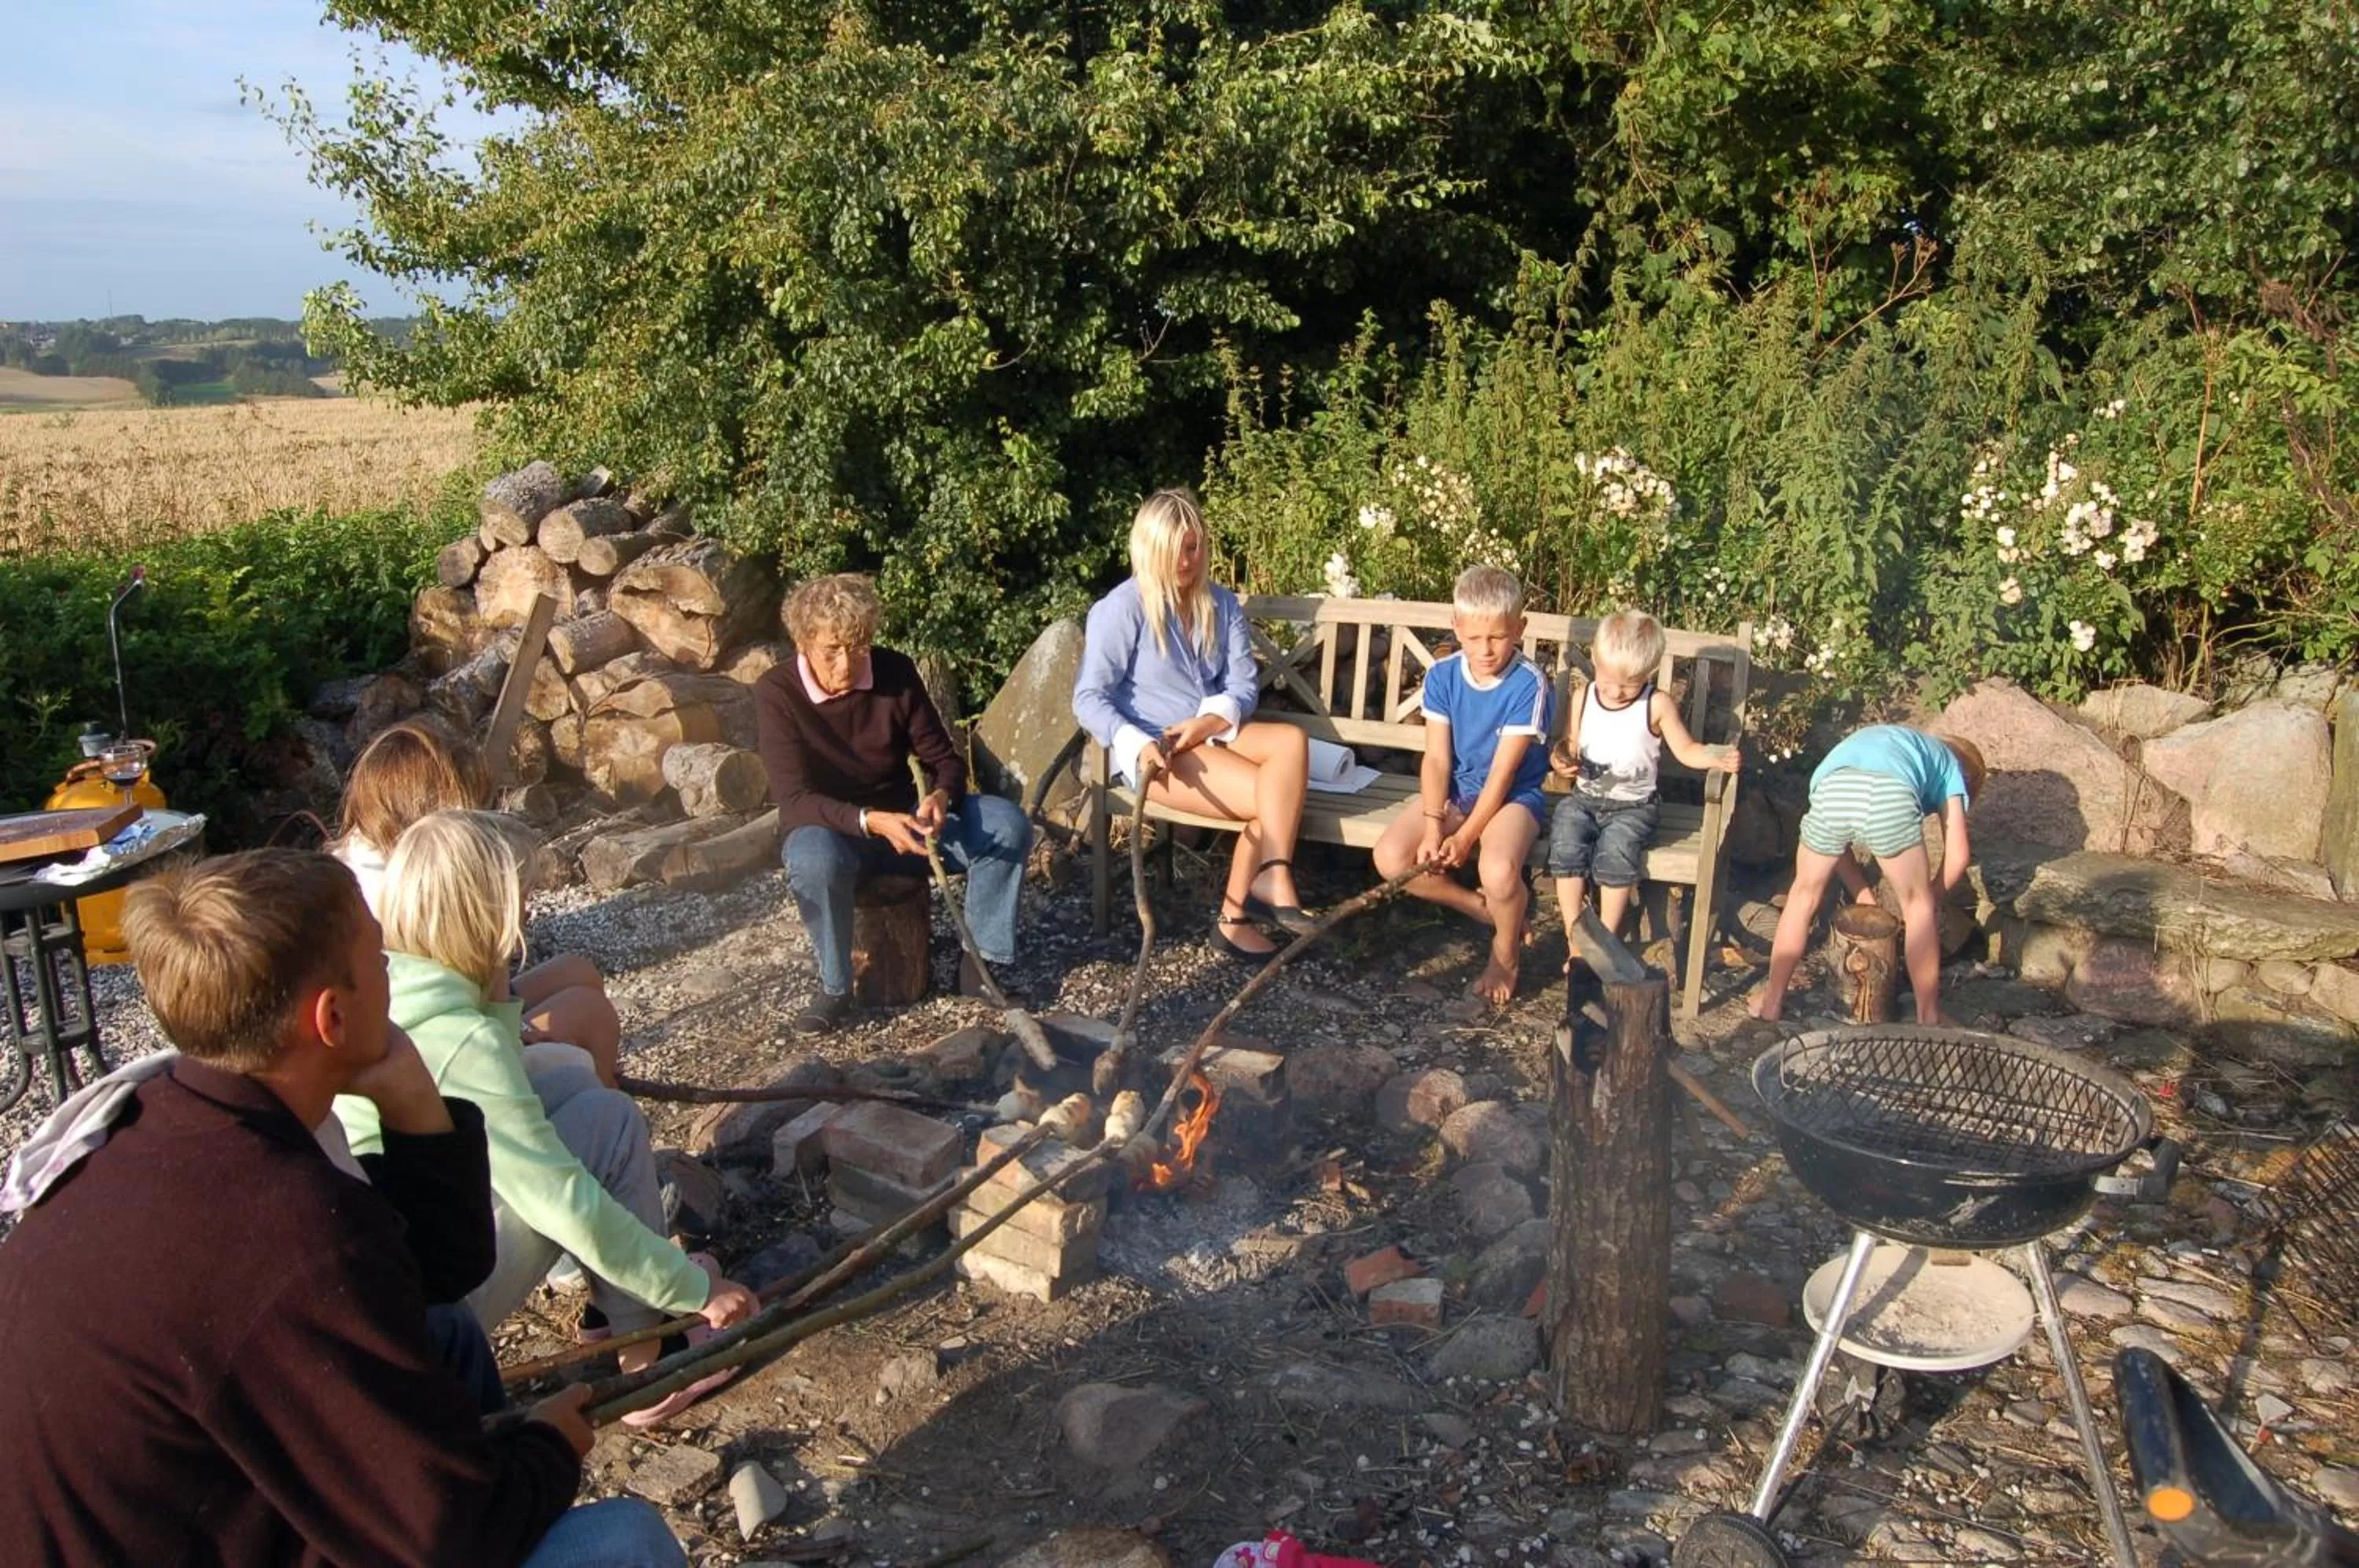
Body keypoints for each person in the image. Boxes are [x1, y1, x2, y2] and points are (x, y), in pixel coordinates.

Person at [0, 848, 687, 1566]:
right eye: (382, 961)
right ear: (330, 1016)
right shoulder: (289, 1231)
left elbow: (437, 1275)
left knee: (443, 1333)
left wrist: (415, 1102)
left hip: (187, 1510)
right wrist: (544, 1448)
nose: (398, 972)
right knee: (625, 1543)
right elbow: (440, 1540)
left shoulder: (166, 1112)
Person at [337, 810, 760, 1429]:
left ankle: (613, 1309)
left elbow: (506, 1081)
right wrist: (696, 1291)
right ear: (488, 916)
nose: (528, 919)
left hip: (390, 1278)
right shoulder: (459, 1042)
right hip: (427, 1318)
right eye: (521, 903)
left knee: (567, 1079)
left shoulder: (400, 984)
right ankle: (650, 1361)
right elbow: (561, 1198)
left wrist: (498, 993)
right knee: (608, 1124)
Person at [755, 573, 1035, 1032]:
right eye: (833, 650)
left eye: (859, 646)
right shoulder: (777, 692)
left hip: (913, 825)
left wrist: (942, 797)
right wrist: (871, 822)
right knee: (811, 858)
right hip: (837, 833)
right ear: (802, 642)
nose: (847, 663)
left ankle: (980, 968)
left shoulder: (895, 672)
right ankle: (835, 986)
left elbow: (945, 760)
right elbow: (795, 801)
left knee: (1007, 826)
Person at [1073, 488, 1315, 963]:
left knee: (1291, 741)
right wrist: (1137, 742)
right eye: (1178, 550)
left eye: (1196, 546)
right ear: (1151, 550)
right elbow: (1088, 697)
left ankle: (1275, 874)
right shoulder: (1123, 609)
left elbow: (1244, 687)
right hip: (1158, 750)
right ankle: (1234, 919)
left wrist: (1208, 722)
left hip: (1209, 732)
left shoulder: (1220, 604)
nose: (1189, 559)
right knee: (1268, 799)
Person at [336, 717, 624, 1087]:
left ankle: (591, 1094)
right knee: (590, 1014)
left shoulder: (360, 856)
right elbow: (466, 985)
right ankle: (595, 1117)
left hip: (454, 1010)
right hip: (435, 1048)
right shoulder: (406, 888)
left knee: (576, 971)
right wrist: (513, 1029)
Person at [1372, 565, 1555, 1006]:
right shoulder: (1443, 676)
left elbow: (1502, 775)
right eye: (1473, 639)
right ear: (1456, 627)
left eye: (1497, 637)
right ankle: (1485, 911)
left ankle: (1505, 954)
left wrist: (1465, 836)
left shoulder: (1529, 684)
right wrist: (1437, 826)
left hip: (1512, 797)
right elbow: (1436, 759)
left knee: (1498, 870)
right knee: (1391, 857)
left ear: (1520, 628)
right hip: (1456, 788)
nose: (1486, 650)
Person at [1750, 724, 1986, 1026]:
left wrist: (1862, 892)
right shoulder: (1952, 767)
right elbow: (1959, 855)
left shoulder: (1896, 741)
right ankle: (1929, 1016)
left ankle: (1772, 1002)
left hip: (1831, 791)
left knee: (1802, 895)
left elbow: (1840, 845)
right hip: (1888, 795)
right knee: (1919, 908)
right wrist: (1931, 896)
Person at [1548, 609, 1741, 951]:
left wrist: (1716, 755)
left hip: (1634, 808)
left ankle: (1604, 940)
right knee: (1565, 839)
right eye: (1609, 681)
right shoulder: (1584, 698)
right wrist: (1561, 760)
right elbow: (1570, 746)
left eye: (1630, 684)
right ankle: (1574, 938)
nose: (1618, 692)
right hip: (1584, 800)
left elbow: (1686, 750)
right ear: (1595, 658)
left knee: (1616, 852)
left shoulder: (1656, 705)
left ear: (1649, 674)